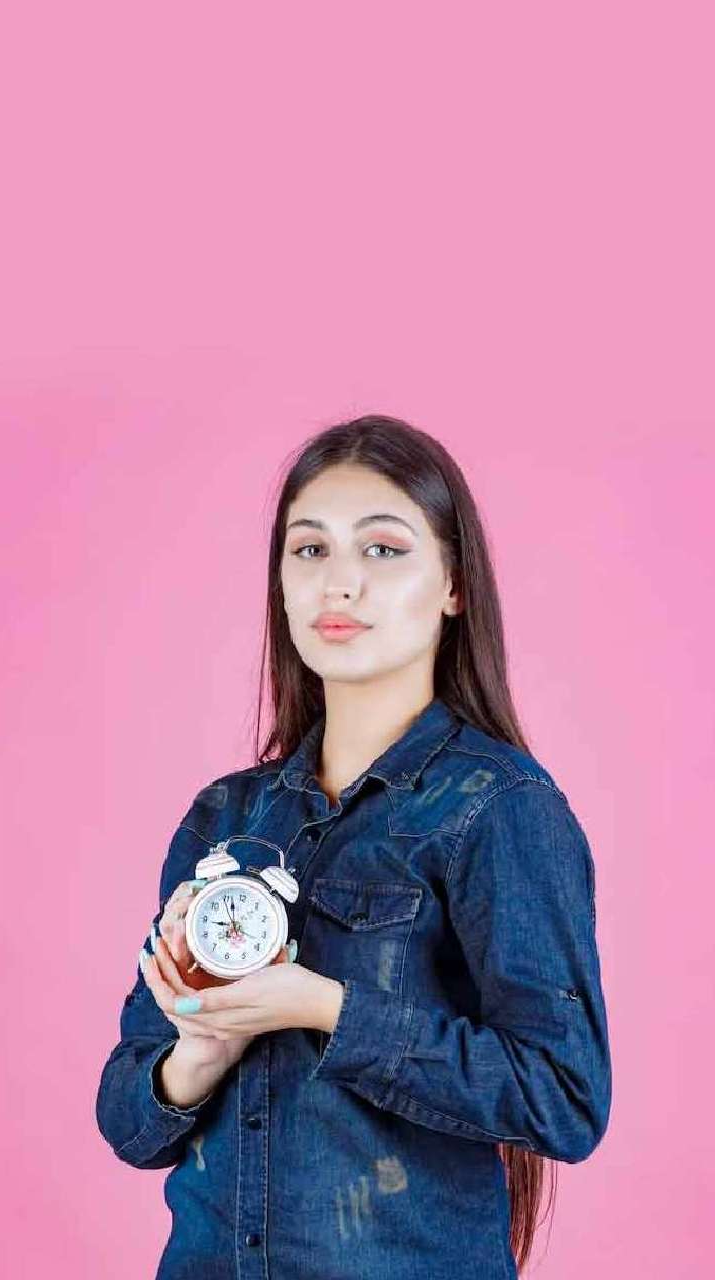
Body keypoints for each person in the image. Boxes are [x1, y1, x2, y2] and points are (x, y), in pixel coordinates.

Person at [96, 413, 612, 1279]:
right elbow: (128, 1123)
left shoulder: (500, 808)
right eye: (310, 550)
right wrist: (199, 1053)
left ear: (453, 586)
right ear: (281, 583)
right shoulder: (226, 817)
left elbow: (564, 1097)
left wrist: (324, 1008)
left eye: (382, 549)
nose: (339, 584)